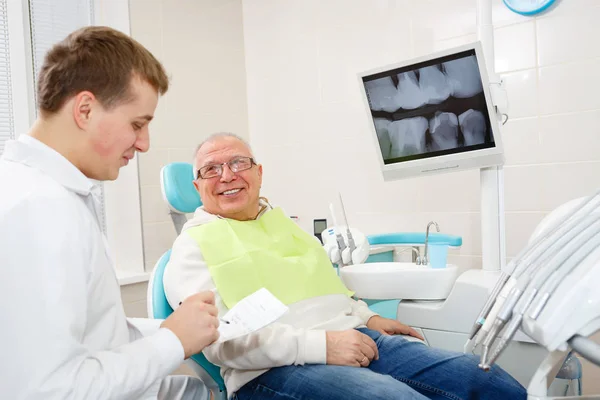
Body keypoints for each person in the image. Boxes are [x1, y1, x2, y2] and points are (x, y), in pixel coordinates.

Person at [163, 132, 528, 400]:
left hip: (355, 338)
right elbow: (221, 345)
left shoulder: (282, 224)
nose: (227, 175)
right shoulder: (192, 247)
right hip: (269, 372)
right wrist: (322, 346)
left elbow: (327, 290)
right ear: (198, 187)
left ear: (258, 172)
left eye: (238, 163)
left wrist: (368, 318)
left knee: (483, 378)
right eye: (211, 169)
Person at [0, 26, 220, 399]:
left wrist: (171, 330)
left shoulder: (55, 193)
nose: (144, 143)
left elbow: (87, 335)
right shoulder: (36, 208)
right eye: (137, 124)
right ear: (85, 109)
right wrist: (172, 341)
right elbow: (48, 390)